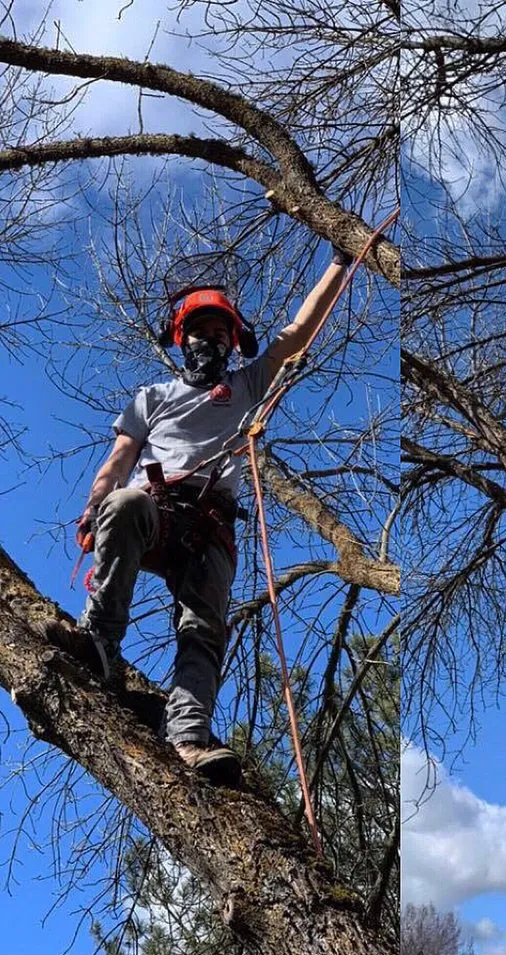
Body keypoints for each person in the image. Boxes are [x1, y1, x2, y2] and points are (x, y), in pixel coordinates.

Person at [47, 250, 350, 785]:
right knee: (124, 503)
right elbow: (118, 461)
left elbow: (299, 332)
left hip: (211, 523)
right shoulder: (154, 397)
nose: (208, 341)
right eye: (199, 331)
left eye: (219, 333)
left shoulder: (246, 388)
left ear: (232, 344)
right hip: (156, 509)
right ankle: (99, 641)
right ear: (181, 338)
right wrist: (96, 504)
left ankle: (187, 735)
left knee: (205, 625)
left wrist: (340, 262)